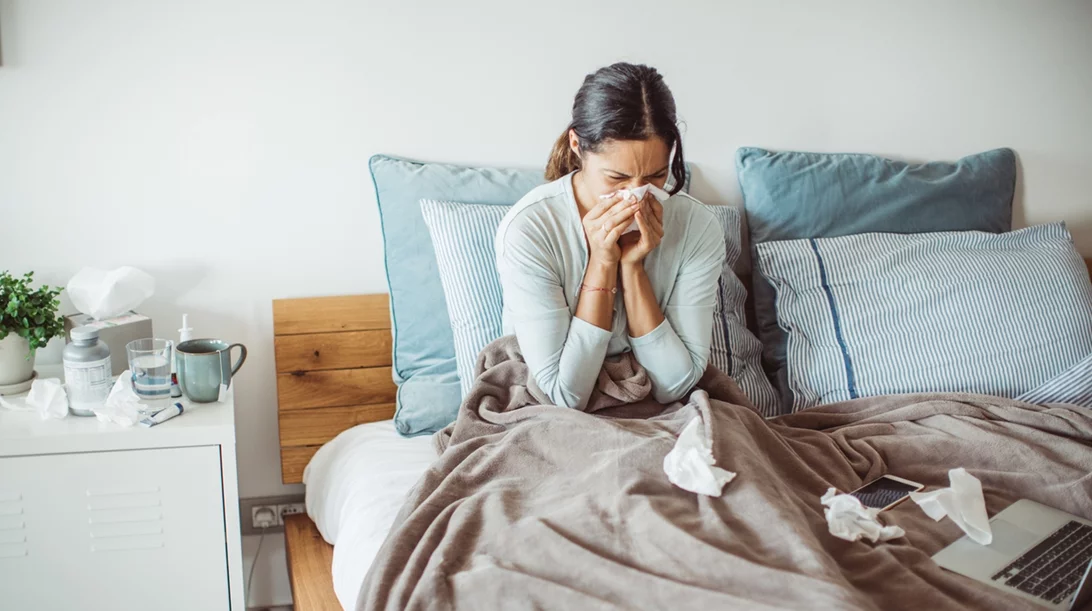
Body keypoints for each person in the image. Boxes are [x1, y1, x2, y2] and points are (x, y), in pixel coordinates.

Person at [495, 62, 725, 410]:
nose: (637, 194)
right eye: (617, 178)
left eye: (656, 176)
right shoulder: (532, 229)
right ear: (576, 144)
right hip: (550, 413)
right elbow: (564, 395)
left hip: (661, 410)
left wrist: (633, 270)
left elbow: (675, 385)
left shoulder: (697, 226)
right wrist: (603, 261)